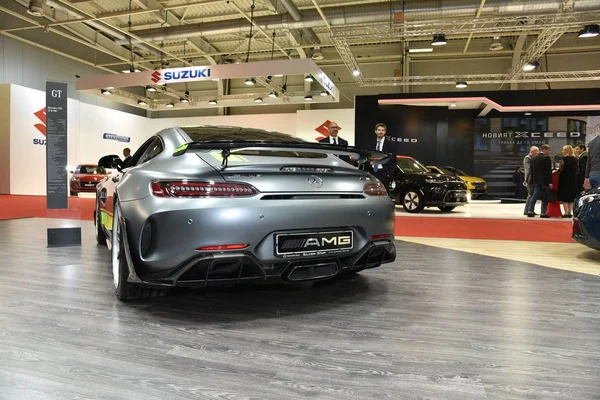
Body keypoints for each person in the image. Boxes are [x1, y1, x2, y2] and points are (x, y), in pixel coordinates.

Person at [527, 144, 553, 218]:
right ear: (544, 149)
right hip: (544, 181)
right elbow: (548, 171)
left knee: (535, 196)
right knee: (545, 197)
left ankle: (530, 211)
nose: (549, 152)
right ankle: (543, 213)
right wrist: (550, 182)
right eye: (548, 150)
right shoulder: (546, 158)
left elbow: (531, 171)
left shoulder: (534, 158)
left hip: (536, 181)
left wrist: (531, 181)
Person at [371, 123, 396, 187]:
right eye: (379, 130)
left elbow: (393, 161)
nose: (380, 132)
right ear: (375, 131)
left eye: (382, 130)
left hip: (383, 173)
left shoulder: (391, 145)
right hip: (371, 172)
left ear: (385, 132)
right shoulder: (370, 143)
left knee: (383, 193)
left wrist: (388, 174)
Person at [557, 145, 578, 218]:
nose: (562, 151)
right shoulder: (575, 159)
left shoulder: (564, 159)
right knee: (571, 197)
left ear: (567, 151)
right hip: (573, 179)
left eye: (563, 150)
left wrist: (557, 171)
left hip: (564, 179)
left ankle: (566, 213)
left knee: (565, 196)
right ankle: (570, 212)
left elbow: (561, 169)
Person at [523, 146, 539, 215]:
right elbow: (529, 169)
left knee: (532, 195)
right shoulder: (527, 158)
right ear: (532, 151)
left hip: (533, 179)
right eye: (536, 152)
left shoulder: (533, 158)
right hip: (529, 179)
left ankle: (531, 210)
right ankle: (527, 210)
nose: (537, 153)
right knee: (530, 195)